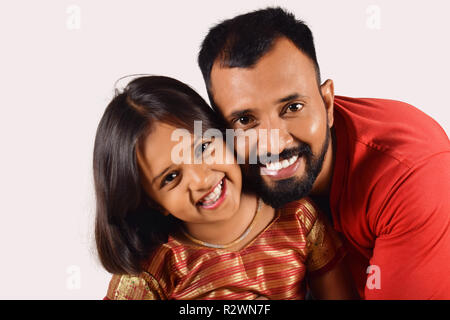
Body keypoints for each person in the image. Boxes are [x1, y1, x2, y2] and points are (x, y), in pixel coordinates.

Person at [197, 7, 450, 299]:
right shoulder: (220, 163)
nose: (273, 144)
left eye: (292, 108)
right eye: (245, 120)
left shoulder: (412, 174)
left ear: (327, 103)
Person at [94, 75, 357, 300]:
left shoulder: (298, 219)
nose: (201, 178)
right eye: (171, 177)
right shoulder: (156, 268)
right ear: (153, 202)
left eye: (204, 148)